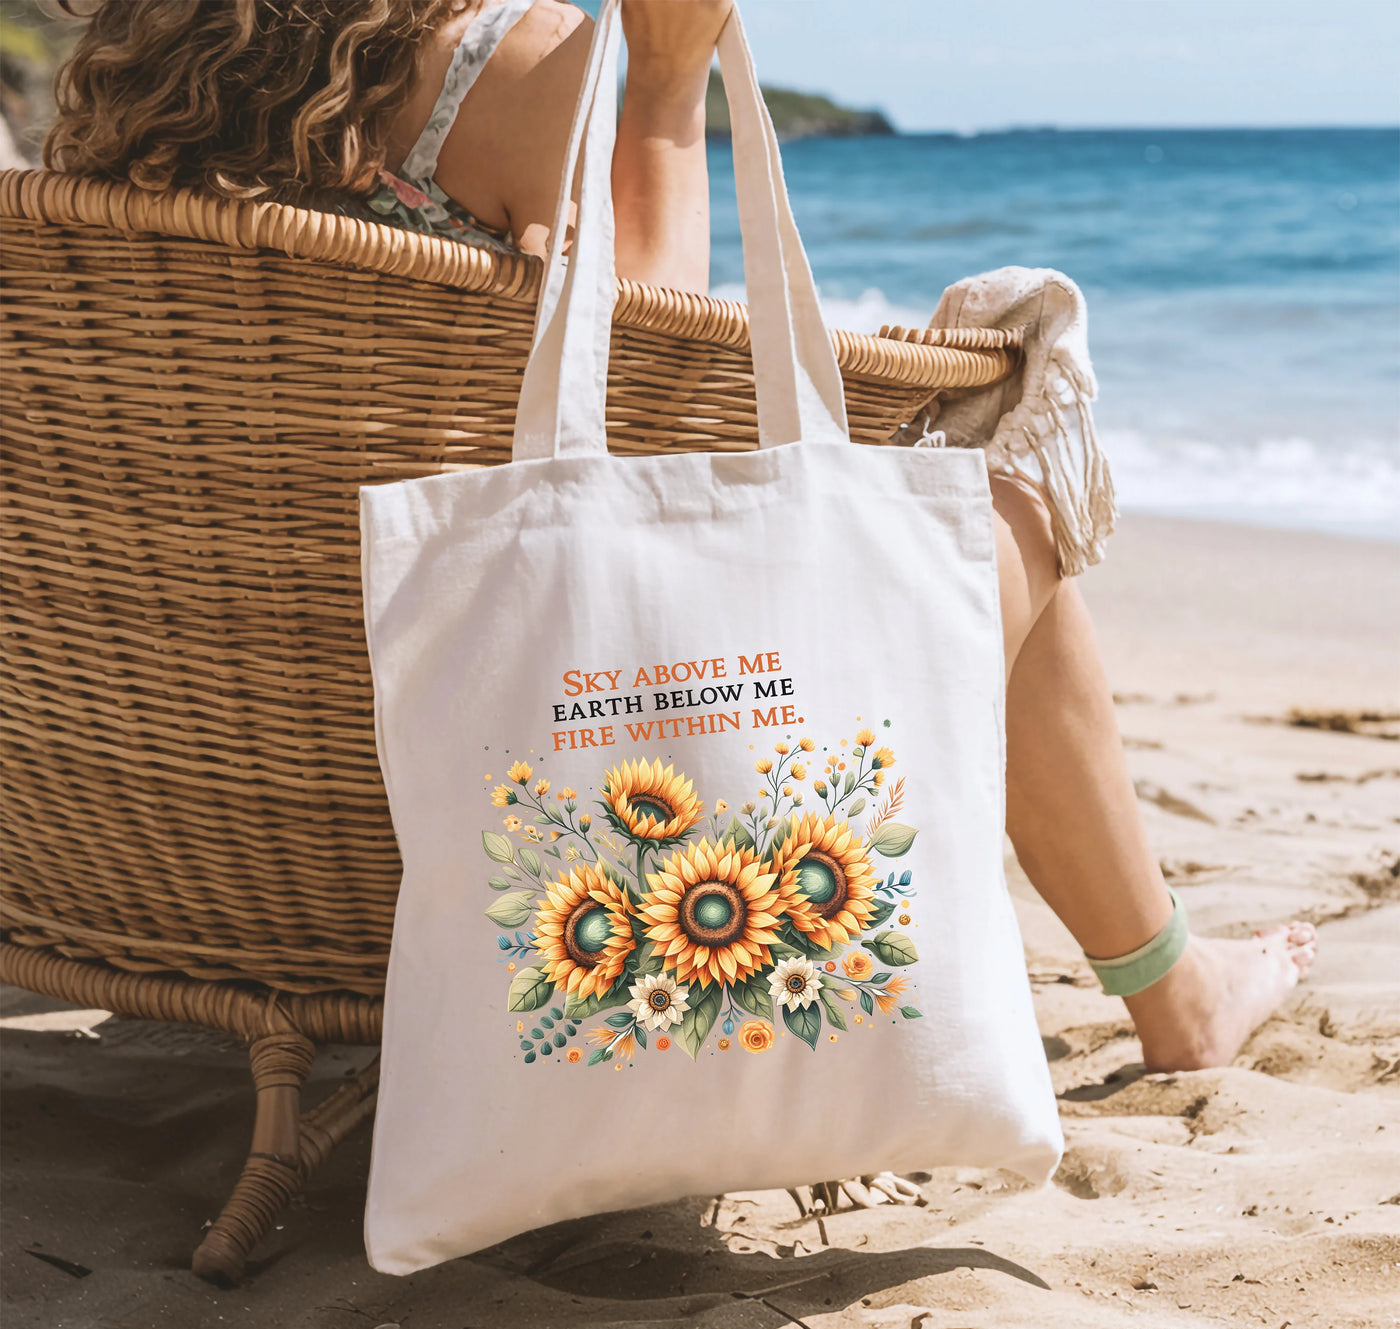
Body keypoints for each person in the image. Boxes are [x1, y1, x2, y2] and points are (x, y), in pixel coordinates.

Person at [43, 0, 1315, 1081]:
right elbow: (657, 427)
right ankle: (1172, 989)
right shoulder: (503, 66)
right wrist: (658, 84)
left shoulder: (125, 93)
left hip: (185, 834)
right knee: (998, 415)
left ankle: (1179, 985)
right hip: (514, 809)